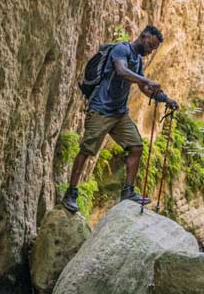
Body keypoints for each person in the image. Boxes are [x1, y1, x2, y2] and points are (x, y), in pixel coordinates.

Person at [60, 25, 179, 212]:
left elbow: (143, 88)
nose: (150, 51)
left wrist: (165, 99)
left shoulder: (138, 60)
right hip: (101, 109)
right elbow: (121, 71)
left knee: (136, 147)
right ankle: (71, 193)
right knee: (86, 150)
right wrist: (146, 80)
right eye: (151, 45)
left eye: (154, 49)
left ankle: (128, 191)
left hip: (119, 113)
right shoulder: (121, 49)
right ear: (143, 36)